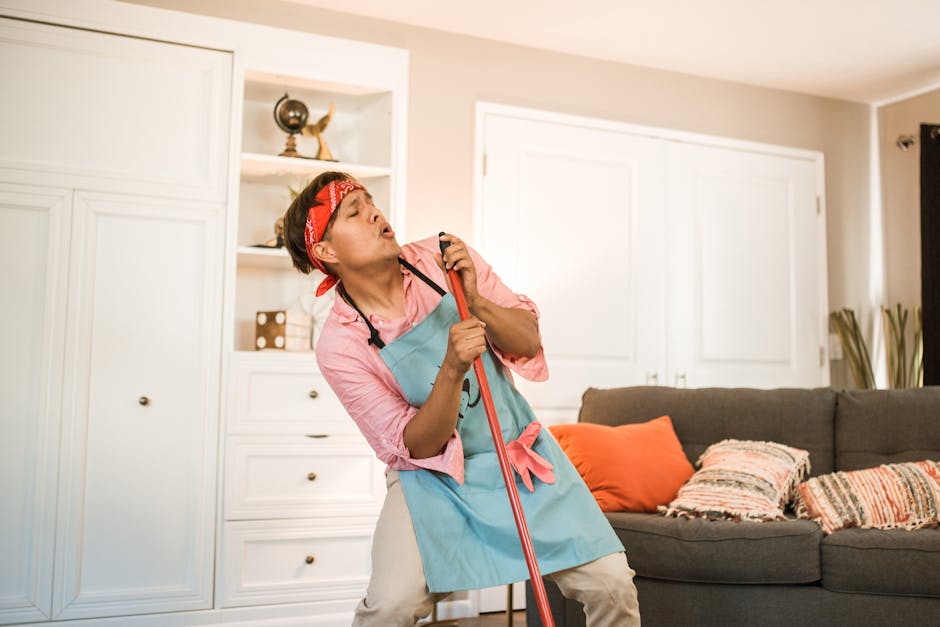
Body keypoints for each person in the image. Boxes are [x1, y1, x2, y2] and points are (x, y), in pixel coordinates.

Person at [283, 171, 640, 627]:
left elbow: (528, 340)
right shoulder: (341, 345)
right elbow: (417, 446)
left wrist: (475, 301)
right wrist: (452, 368)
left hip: (518, 456)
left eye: (370, 201)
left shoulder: (444, 258)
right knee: (390, 605)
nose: (374, 212)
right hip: (432, 482)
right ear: (326, 252)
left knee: (612, 584)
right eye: (355, 211)